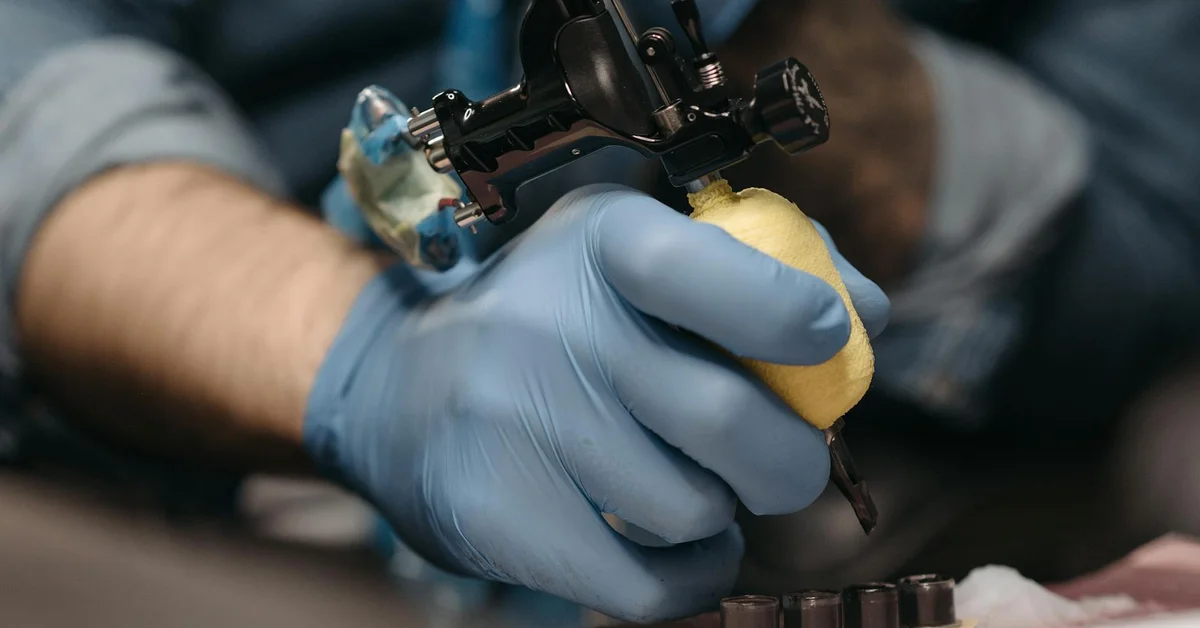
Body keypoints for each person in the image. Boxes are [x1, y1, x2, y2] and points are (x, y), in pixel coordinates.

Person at [1, 0, 1196, 623]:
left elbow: (1145, 238)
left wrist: (784, 33)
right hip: (182, 495)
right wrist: (355, 358)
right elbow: (31, 75)